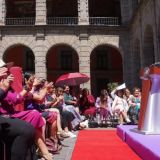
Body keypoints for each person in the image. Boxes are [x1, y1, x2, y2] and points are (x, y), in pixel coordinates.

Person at [0, 65, 36, 160]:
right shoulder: (5, 86)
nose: (9, 76)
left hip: (9, 114)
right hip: (6, 114)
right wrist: (3, 88)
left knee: (33, 121)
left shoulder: (9, 87)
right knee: (28, 126)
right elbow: (17, 99)